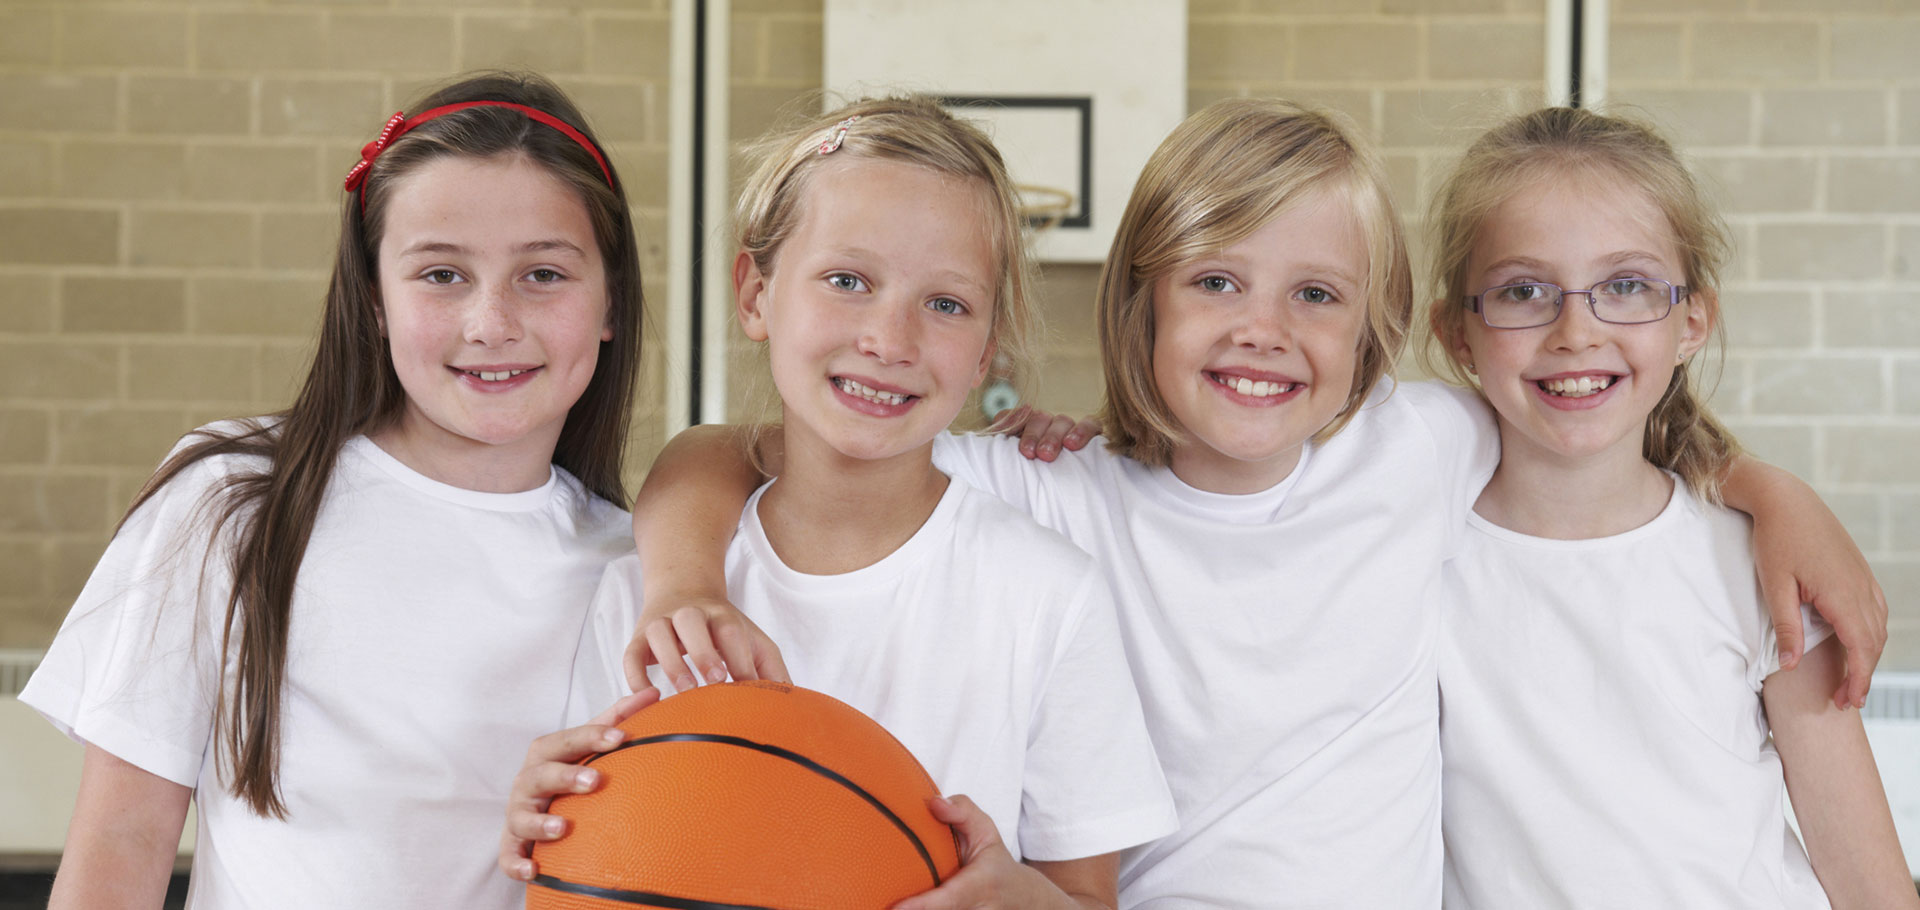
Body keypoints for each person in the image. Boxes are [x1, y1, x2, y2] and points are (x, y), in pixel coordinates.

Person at [612, 99, 1886, 907]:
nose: (1265, 331)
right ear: (1143, 305)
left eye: (1317, 295)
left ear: (1385, 329)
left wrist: (1772, 491)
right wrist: (680, 579)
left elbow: (1596, 407)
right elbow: (737, 453)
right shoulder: (1050, 488)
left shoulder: (1422, 444)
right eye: (1217, 280)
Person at [501, 97, 1175, 910]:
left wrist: (1027, 901)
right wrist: (549, 816)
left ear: (988, 347)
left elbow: (1087, 898)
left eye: (947, 303)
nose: (891, 340)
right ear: (755, 293)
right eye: (848, 281)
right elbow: (592, 862)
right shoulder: (653, 601)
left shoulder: (1049, 596)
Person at [19, 71, 650, 909]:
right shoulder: (237, 502)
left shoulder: (636, 569)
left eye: (543, 274)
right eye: (440, 275)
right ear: (375, 300)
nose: (491, 321)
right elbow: (121, 841)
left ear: (610, 300)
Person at [1426, 106, 1918, 909]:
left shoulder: (1760, 567)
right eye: (1523, 290)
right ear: (1458, 334)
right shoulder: (1415, 564)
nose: (1576, 332)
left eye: (1625, 286)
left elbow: (1868, 880)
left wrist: (1770, 490)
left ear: (1693, 322)